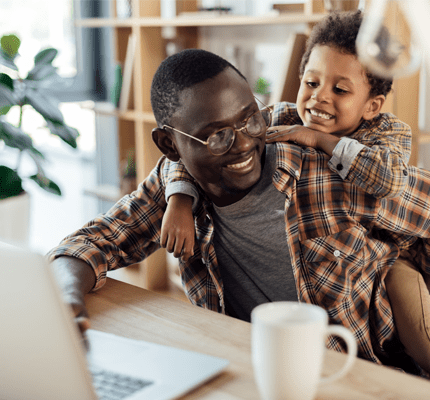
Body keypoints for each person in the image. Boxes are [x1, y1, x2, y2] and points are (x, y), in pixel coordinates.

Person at [49, 47, 430, 377]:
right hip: (253, 371)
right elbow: (91, 242)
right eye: (217, 136)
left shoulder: (321, 175)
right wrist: (66, 298)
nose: (245, 144)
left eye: (250, 118)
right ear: (170, 144)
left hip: (360, 375)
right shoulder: (175, 190)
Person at [159, 11, 430, 374]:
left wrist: (322, 141)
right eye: (311, 82)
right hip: (350, 268)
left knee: (417, 339)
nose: (319, 98)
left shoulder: (387, 132)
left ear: (371, 106)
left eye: (340, 89)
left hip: (401, 256)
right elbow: (208, 147)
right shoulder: (284, 119)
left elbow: (389, 181)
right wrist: (179, 198)